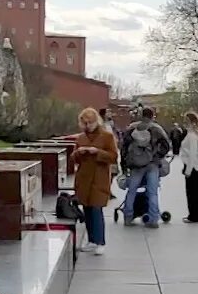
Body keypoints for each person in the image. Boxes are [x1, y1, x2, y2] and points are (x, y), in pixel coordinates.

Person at [70, 107, 119, 255]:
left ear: (96, 121)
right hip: (84, 177)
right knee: (87, 209)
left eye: (90, 122)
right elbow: (74, 158)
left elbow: (113, 157)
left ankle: (100, 241)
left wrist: (97, 152)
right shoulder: (81, 138)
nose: (87, 126)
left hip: (99, 177)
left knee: (97, 209)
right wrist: (78, 153)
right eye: (85, 123)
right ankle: (91, 240)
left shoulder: (106, 136)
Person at [119, 107, 172, 228]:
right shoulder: (156, 129)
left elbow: (124, 147)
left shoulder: (132, 128)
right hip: (152, 164)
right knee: (152, 192)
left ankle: (128, 216)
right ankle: (153, 219)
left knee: (131, 191)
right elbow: (166, 145)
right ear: (152, 116)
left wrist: (125, 164)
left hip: (136, 165)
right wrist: (157, 156)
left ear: (141, 115)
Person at [181, 112, 198, 224]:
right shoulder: (197, 135)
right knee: (196, 192)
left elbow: (192, 154)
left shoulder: (191, 136)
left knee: (192, 193)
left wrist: (188, 170)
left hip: (193, 167)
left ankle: (193, 215)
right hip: (197, 166)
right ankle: (197, 214)